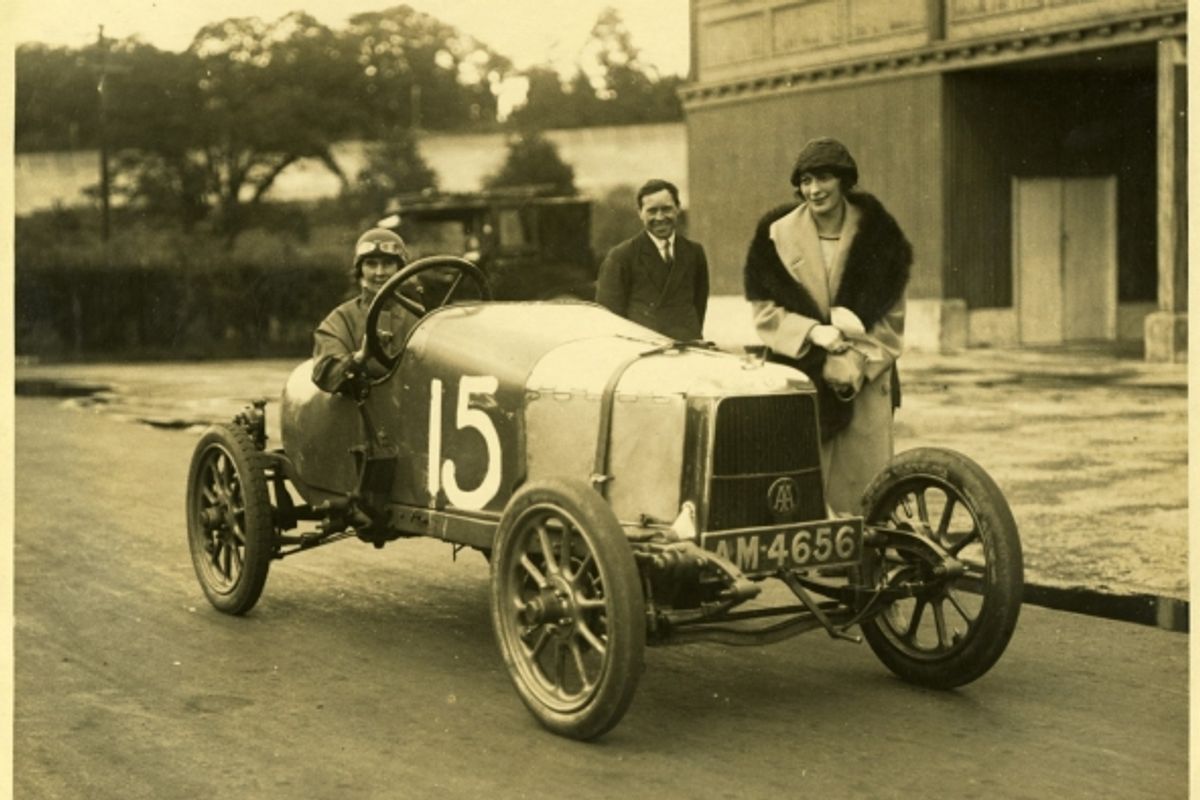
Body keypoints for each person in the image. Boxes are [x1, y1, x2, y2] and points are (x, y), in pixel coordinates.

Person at [743, 138, 912, 515]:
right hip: (802, 374)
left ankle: (865, 544)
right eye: (805, 181)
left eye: (823, 178)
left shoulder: (881, 235)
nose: (814, 190)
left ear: (844, 180)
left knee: (863, 489)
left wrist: (856, 364)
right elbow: (765, 312)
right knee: (803, 484)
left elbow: (891, 320)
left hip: (864, 382)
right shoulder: (776, 233)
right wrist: (810, 332)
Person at [596, 179, 710, 340]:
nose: (660, 217)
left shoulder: (694, 252)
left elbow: (699, 306)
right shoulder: (621, 256)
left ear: (677, 209)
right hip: (645, 347)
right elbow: (609, 317)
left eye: (666, 209)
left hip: (688, 345)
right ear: (640, 213)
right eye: (652, 211)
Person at [311, 227, 419, 395]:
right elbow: (325, 373)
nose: (379, 272)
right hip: (360, 407)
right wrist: (360, 357)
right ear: (360, 270)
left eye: (387, 264)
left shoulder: (420, 317)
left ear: (400, 269)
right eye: (371, 264)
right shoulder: (340, 319)